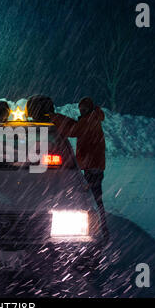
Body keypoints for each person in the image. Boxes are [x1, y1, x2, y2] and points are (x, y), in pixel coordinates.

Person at [49, 97, 109, 239]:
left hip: (93, 166)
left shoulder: (90, 120)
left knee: (94, 199)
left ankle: (100, 229)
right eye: (80, 109)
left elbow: (73, 129)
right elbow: (74, 125)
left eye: (84, 109)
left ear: (89, 108)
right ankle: (101, 227)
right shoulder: (90, 119)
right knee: (95, 198)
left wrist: (53, 117)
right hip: (93, 165)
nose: (81, 111)